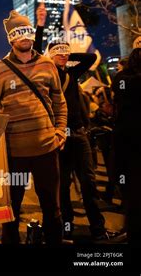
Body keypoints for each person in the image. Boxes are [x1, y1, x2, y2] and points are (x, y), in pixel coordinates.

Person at [0, 10, 67, 244]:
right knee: (11, 210)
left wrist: (60, 132)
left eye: (28, 32)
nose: (26, 37)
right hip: (13, 154)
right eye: (19, 33)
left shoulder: (48, 65)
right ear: (11, 38)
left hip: (47, 151)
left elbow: (60, 102)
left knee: (52, 208)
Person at [46, 40, 119, 241]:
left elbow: (91, 58)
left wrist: (69, 55)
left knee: (89, 183)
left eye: (65, 52)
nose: (63, 55)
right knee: (63, 187)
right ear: (49, 55)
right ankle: (66, 229)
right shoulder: (47, 76)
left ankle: (98, 229)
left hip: (79, 134)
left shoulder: (72, 73)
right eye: (58, 52)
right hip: (58, 135)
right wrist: (50, 60)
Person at [112, 48, 141, 244]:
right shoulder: (126, 80)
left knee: (131, 191)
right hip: (130, 142)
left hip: (126, 142)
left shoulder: (122, 80)